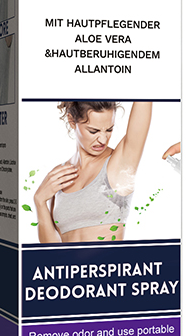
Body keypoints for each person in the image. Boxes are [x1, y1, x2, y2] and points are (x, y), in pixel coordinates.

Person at [34, 101, 152, 243]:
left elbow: (144, 102)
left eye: (109, 130)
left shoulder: (120, 163)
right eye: (93, 131)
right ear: (72, 121)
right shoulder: (61, 174)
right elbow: (51, 250)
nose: (103, 139)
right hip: (66, 258)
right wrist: (40, 201)